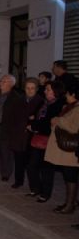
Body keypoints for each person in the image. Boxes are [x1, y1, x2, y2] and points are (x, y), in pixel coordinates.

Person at [26, 81, 65, 201]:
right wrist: (33, 123)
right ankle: (35, 188)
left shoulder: (59, 105)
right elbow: (33, 116)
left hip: (50, 139)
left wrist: (34, 126)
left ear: (55, 91)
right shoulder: (44, 103)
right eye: (46, 89)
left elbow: (50, 123)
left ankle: (45, 193)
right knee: (31, 165)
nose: (45, 91)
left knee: (46, 168)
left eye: (48, 89)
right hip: (38, 138)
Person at [45, 83, 79, 214]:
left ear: (73, 94)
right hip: (63, 149)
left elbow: (74, 127)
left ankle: (70, 205)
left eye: (67, 93)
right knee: (67, 177)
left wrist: (58, 120)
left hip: (70, 151)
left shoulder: (77, 109)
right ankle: (69, 202)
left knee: (71, 177)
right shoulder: (69, 107)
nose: (65, 95)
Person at [10, 78, 43, 189]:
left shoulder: (40, 101)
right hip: (18, 135)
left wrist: (32, 120)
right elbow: (13, 116)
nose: (29, 91)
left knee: (31, 163)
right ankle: (18, 181)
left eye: (32, 88)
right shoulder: (19, 100)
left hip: (31, 136)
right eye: (27, 88)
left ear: (37, 89)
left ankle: (34, 185)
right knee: (18, 160)